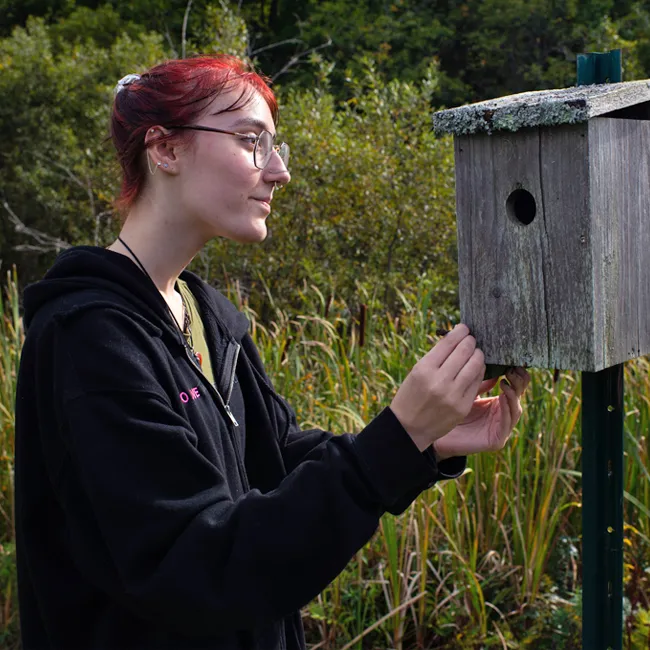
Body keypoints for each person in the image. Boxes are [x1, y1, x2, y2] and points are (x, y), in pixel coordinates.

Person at [14, 54, 530, 650]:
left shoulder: (205, 316)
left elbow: (275, 461)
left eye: (275, 145)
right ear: (165, 149)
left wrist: (421, 440)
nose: (279, 171)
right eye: (251, 141)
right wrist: (395, 437)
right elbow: (201, 567)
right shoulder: (89, 343)